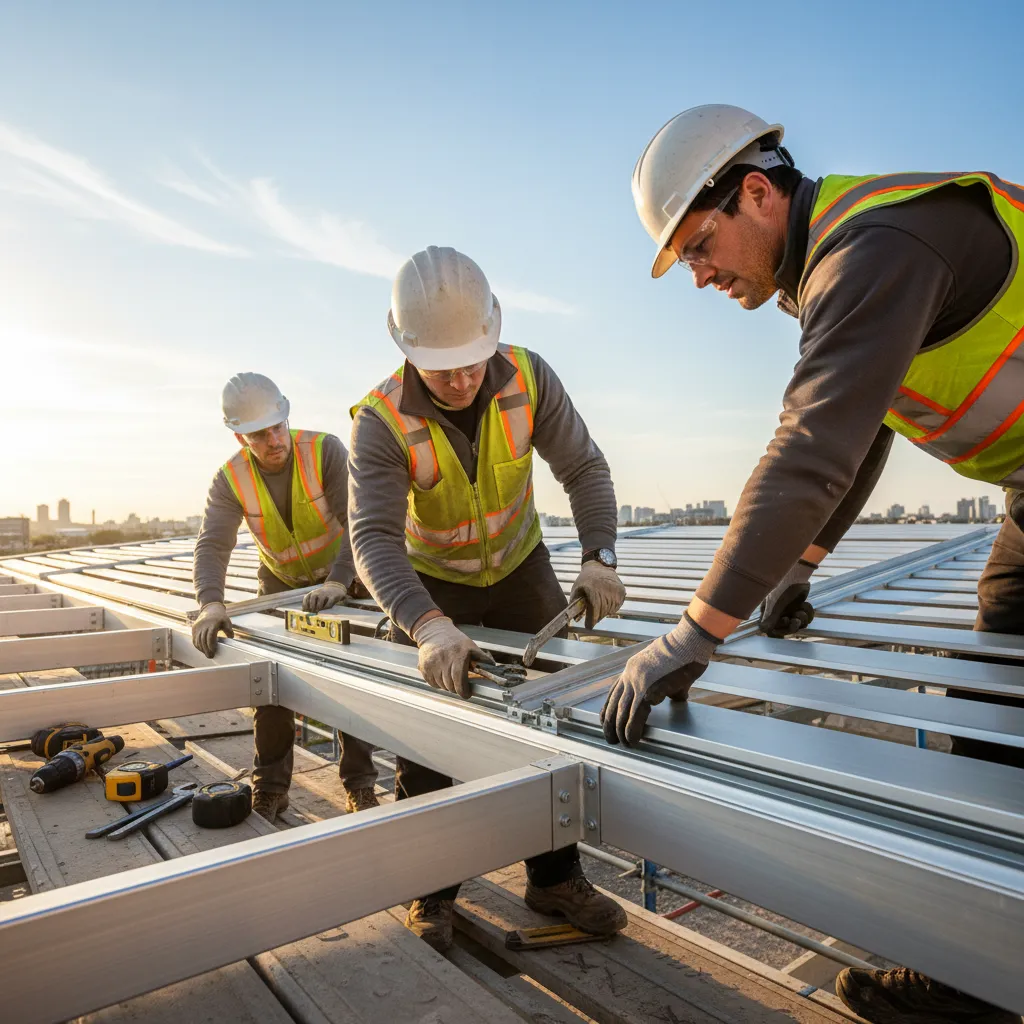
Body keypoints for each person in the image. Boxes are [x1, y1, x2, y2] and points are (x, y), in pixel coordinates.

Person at [616, 103, 1024, 1024]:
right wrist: (800, 566)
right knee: (993, 710)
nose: (699, 276)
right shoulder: (832, 270)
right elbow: (868, 429)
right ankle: (985, 976)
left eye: (697, 248)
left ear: (756, 194)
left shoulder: (872, 250)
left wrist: (693, 632)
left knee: (997, 716)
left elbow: (812, 447)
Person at [348, 245, 628, 951]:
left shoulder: (530, 377)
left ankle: (555, 877)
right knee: (428, 740)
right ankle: (433, 887)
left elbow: (584, 468)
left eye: (474, 359)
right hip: (429, 579)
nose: (464, 378)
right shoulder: (380, 419)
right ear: (409, 350)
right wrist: (428, 627)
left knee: (545, 724)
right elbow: (374, 539)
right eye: (443, 368)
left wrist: (599, 556)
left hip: (519, 565)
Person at [192, 372, 378, 821]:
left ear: (286, 414)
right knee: (270, 687)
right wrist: (210, 602)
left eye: (278, 426)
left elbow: (360, 521)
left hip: (343, 582)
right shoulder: (230, 479)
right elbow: (213, 544)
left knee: (348, 679)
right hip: (280, 585)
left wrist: (338, 579)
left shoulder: (324, 451)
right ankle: (270, 788)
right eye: (260, 434)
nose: (274, 439)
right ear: (240, 435)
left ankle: (361, 786)